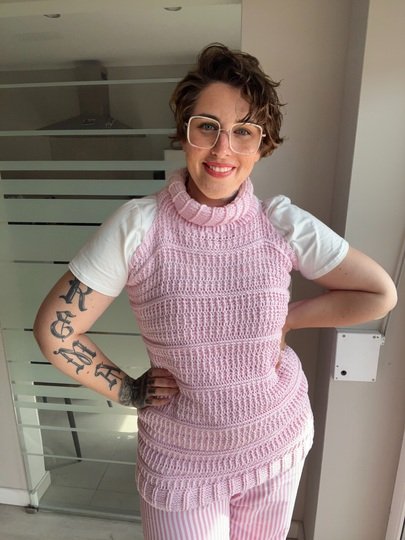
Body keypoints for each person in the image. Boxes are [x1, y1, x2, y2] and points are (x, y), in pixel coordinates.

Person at [33, 44, 397, 540]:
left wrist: (287, 320)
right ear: (185, 132)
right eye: (207, 126)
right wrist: (129, 390)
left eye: (243, 131)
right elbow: (57, 331)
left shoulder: (281, 223)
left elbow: (378, 293)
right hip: (180, 463)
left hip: (275, 442)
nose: (223, 149)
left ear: (262, 145)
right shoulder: (138, 226)